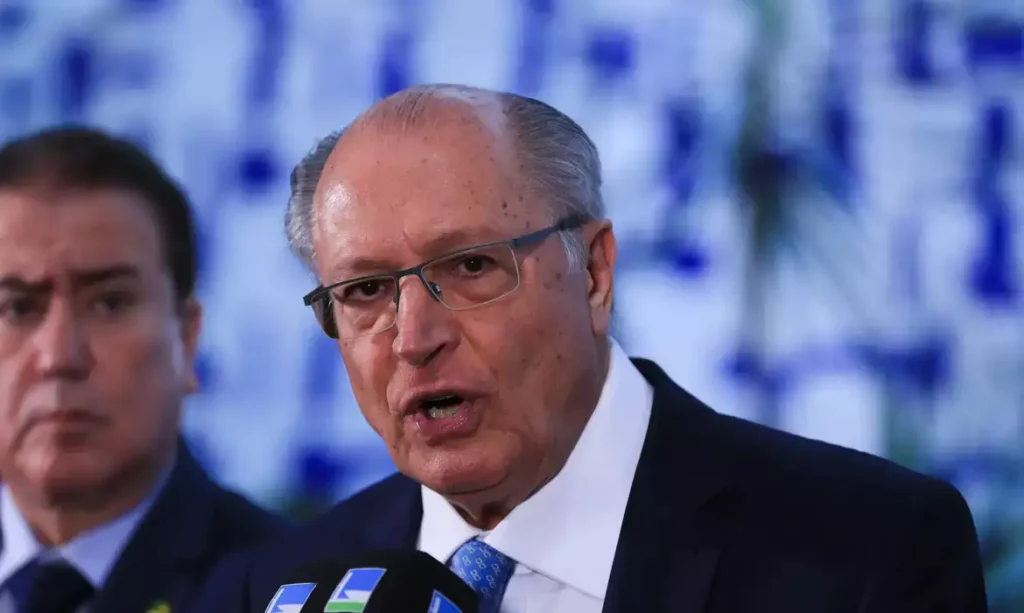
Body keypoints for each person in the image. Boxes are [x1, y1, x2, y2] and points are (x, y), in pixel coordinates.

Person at [192, 85, 986, 613]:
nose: (414, 337)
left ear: (596, 272)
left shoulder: (869, 553)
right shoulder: (269, 589)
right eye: (365, 289)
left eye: (470, 267)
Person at [0, 127, 288, 613]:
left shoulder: (285, 587)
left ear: (187, 339)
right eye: (17, 308)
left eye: (110, 303)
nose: (59, 357)